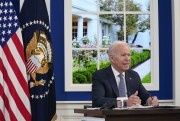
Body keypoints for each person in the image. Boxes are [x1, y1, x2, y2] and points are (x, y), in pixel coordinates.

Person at [92, 41, 158, 108]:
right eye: (123, 55)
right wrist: (124, 102)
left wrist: (149, 100)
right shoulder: (100, 75)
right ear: (112, 58)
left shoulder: (134, 75)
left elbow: (145, 96)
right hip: (111, 117)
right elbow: (98, 101)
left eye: (129, 55)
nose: (127, 59)